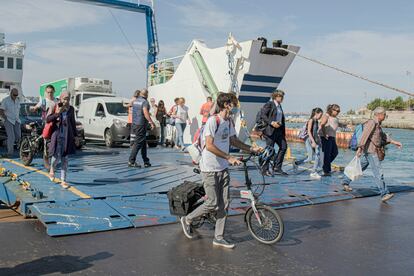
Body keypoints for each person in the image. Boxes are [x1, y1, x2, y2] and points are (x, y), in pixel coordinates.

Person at [180, 92, 262, 249]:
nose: (236, 106)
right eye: (234, 103)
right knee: (212, 202)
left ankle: (218, 237)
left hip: (223, 168)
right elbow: (209, 145)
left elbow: (234, 140)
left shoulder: (229, 121)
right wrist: (229, 157)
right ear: (227, 105)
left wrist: (251, 149)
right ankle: (188, 219)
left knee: (224, 203)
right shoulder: (213, 121)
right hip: (209, 167)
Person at [342, 107, 402, 202]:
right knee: (378, 172)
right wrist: (360, 148)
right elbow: (364, 135)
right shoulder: (371, 123)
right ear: (379, 114)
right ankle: (384, 193)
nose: (385, 117)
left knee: (360, 166)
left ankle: (345, 181)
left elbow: (383, 137)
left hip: (371, 151)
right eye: (385, 115)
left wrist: (395, 142)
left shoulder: (377, 124)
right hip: (371, 151)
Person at [47, 91, 77, 189]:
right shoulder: (56, 106)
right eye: (64, 98)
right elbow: (48, 119)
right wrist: (57, 113)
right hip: (57, 135)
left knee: (65, 159)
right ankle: (52, 168)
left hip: (67, 136)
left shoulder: (71, 109)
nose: (66, 101)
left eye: (68, 98)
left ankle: (63, 180)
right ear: (60, 98)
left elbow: (73, 122)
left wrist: (76, 136)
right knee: (56, 157)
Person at [260, 89, 288, 176]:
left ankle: (277, 167)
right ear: (276, 96)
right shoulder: (270, 104)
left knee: (283, 147)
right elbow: (263, 115)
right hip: (270, 130)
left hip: (279, 131)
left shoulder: (279, 106)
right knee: (270, 150)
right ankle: (265, 170)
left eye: (283, 97)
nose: (282, 98)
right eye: (281, 96)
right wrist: (272, 122)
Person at [30, 84, 57, 168]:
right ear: (46, 92)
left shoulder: (56, 101)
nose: (50, 94)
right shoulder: (44, 101)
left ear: (54, 92)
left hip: (54, 123)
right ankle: (46, 160)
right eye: (48, 92)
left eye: (51, 92)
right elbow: (37, 106)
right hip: (45, 122)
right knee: (45, 140)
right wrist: (34, 108)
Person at [128, 89, 155, 168]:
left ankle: (146, 161)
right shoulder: (144, 102)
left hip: (135, 123)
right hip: (141, 124)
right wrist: (151, 122)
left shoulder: (136, 101)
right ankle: (131, 161)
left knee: (143, 142)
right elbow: (145, 112)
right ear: (147, 94)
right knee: (138, 143)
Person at [295, 108, 324, 179]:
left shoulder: (316, 121)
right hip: (309, 140)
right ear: (316, 113)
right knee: (311, 158)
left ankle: (297, 164)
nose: (321, 116)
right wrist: (313, 142)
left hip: (315, 139)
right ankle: (313, 172)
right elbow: (309, 132)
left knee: (317, 155)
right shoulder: (311, 120)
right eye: (320, 114)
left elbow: (315, 132)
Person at [319, 104, 343, 176]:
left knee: (335, 152)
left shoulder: (335, 118)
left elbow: (337, 124)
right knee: (327, 154)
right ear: (332, 110)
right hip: (326, 137)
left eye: (339, 111)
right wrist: (324, 133)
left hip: (332, 137)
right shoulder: (326, 116)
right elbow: (322, 124)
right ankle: (326, 170)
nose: (338, 112)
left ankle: (325, 166)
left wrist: (345, 125)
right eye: (337, 111)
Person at [0, 88, 21, 158]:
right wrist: (5, 119)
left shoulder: (18, 100)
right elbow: (1, 110)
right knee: (11, 137)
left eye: (16, 95)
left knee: (18, 136)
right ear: (11, 93)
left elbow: (18, 111)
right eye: (14, 95)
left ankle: (7, 142)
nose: (15, 96)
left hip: (16, 120)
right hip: (8, 120)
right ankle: (10, 152)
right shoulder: (5, 100)